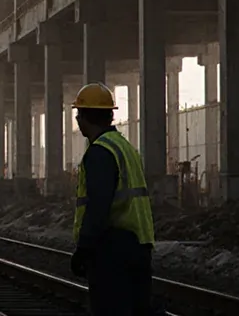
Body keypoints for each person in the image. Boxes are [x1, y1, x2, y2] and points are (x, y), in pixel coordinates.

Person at [70, 82, 156, 316]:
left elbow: (98, 205)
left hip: (112, 248)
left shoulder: (100, 152)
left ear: (87, 116)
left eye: (79, 114)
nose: (77, 120)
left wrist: (84, 248)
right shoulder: (125, 147)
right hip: (139, 243)